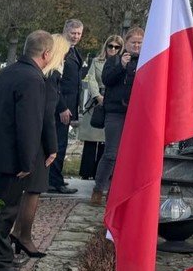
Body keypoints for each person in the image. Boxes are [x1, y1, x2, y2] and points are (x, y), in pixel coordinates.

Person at [0, 31, 54, 271]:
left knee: (1, 207)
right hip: (14, 156)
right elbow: (29, 123)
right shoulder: (33, 79)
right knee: (6, 210)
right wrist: (28, 160)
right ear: (46, 54)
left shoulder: (7, 72)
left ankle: (1, 256)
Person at [12, 34, 69, 259]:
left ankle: (21, 234)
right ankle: (21, 234)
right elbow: (47, 115)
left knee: (28, 190)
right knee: (33, 190)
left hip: (32, 138)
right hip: (39, 140)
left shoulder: (39, 74)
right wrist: (53, 147)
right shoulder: (49, 76)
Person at [92, 28, 144, 206]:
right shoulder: (114, 60)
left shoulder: (147, 61)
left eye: (139, 43)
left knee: (130, 155)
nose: (136, 46)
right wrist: (121, 66)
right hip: (115, 112)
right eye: (133, 43)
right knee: (111, 153)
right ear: (126, 43)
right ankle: (99, 188)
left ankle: (118, 190)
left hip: (137, 113)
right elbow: (106, 80)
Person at [47, 19, 83, 194]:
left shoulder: (74, 52)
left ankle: (55, 177)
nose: (76, 37)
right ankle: (54, 181)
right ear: (65, 31)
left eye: (78, 33)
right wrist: (62, 106)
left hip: (69, 104)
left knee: (61, 142)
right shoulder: (59, 51)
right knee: (58, 143)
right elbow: (55, 82)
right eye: (73, 33)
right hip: (60, 106)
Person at [79, 36, 120, 180]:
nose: (113, 49)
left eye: (117, 47)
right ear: (106, 46)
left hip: (112, 99)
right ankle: (86, 171)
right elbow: (91, 79)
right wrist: (97, 96)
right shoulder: (97, 61)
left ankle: (101, 173)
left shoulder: (121, 63)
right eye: (111, 46)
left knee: (106, 140)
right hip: (97, 100)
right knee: (91, 137)